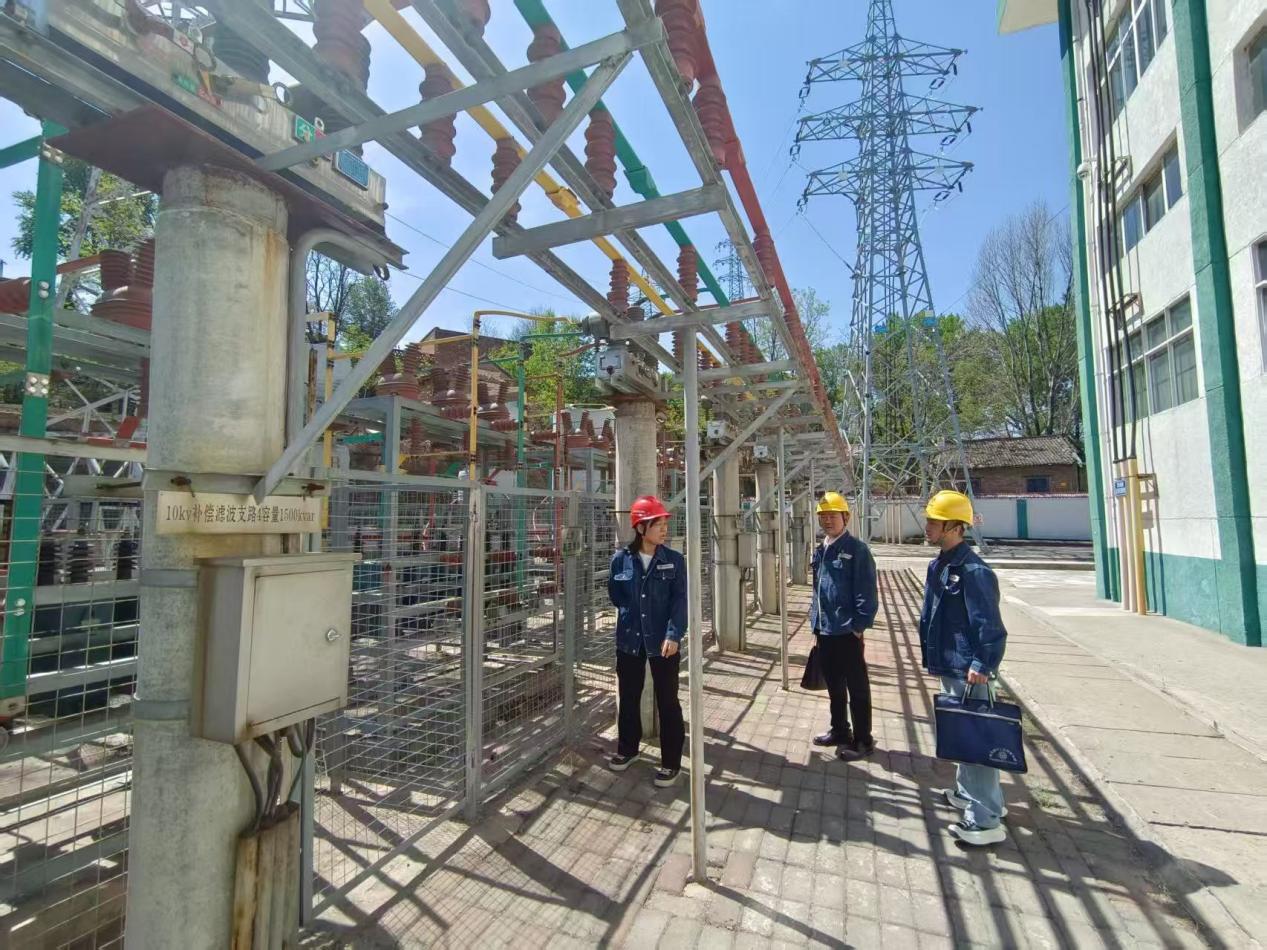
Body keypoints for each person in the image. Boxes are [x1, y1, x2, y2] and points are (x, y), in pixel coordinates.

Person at [919, 489, 1009, 846]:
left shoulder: (974, 571)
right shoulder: (941, 564)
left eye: (935, 522)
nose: (927, 526)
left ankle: (985, 821)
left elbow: (990, 625)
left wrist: (982, 663)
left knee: (976, 743)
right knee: (961, 734)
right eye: (929, 520)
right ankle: (969, 795)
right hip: (949, 662)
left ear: (955, 527)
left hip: (968, 669)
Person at [607, 494, 687, 787]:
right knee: (629, 698)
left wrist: (673, 634)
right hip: (629, 641)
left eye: (665, 523)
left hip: (663, 643)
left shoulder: (674, 560)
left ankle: (671, 763)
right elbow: (616, 596)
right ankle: (628, 750)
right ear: (641, 528)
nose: (664, 529)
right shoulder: (620, 560)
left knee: (668, 702)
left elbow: (680, 602)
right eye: (658, 524)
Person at [809, 491, 878, 762]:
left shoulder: (857, 550)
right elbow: (818, 590)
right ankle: (839, 730)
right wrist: (816, 622)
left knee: (857, 687)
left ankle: (863, 739)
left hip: (847, 631)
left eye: (832, 516)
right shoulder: (821, 549)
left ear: (845, 517)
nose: (827, 521)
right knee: (834, 685)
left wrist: (858, 627)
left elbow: (867, 592)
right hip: (825, 629)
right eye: (823, 516)